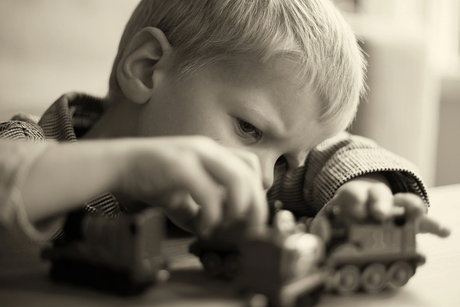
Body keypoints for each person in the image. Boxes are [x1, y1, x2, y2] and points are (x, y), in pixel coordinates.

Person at [0, 0, 449, 243]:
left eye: (285, 162)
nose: (261, 179)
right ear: (147, 67)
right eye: (249, 130)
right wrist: (127, 166)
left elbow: (344, 153)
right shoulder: (30, 140)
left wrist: (363, 195)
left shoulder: (261, 175)